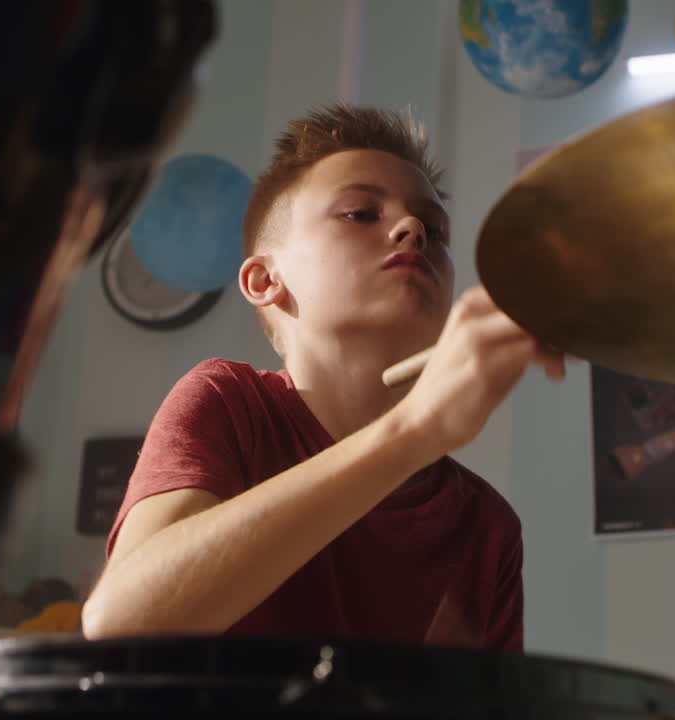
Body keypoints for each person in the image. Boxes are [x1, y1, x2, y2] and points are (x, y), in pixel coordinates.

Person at [80, 104, 565, 651]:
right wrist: (412, 433)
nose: (412, 230)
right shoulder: (228, 402)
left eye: (434, 228)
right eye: (360, 213)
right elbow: (120, 622)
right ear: (265, 278)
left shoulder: (488, 526)